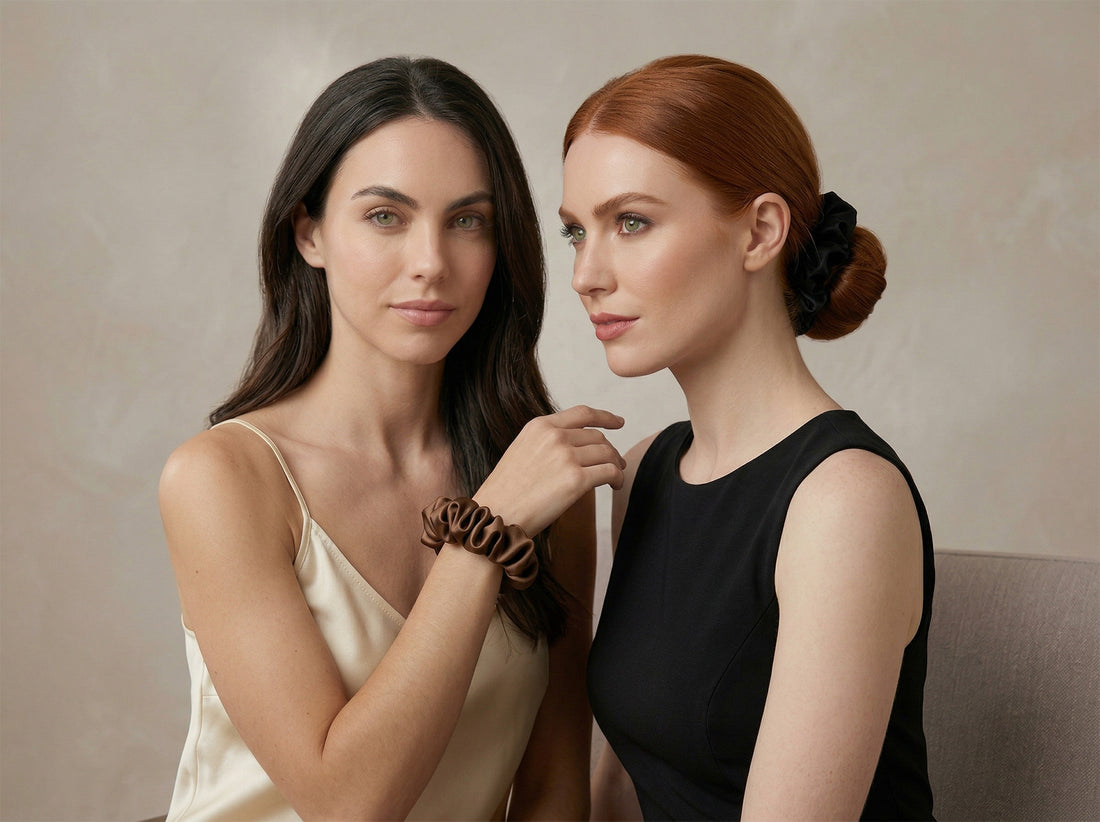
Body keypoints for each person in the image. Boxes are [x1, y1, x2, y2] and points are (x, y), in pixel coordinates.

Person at [159, 56, 625, 821]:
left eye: (467, 221)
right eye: (385, 216)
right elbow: (347, 803)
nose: (431, 264)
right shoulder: (223, 478)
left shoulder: (544, 482)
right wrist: (484, 535)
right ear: (309, 233)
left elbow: (553, 791)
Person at [559, 55, 935, 820]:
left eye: (631, 222)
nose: (586, 275)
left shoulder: (844, 503)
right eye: (575, 232)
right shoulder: (646, 472)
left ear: (761, 231)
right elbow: (624, 786)